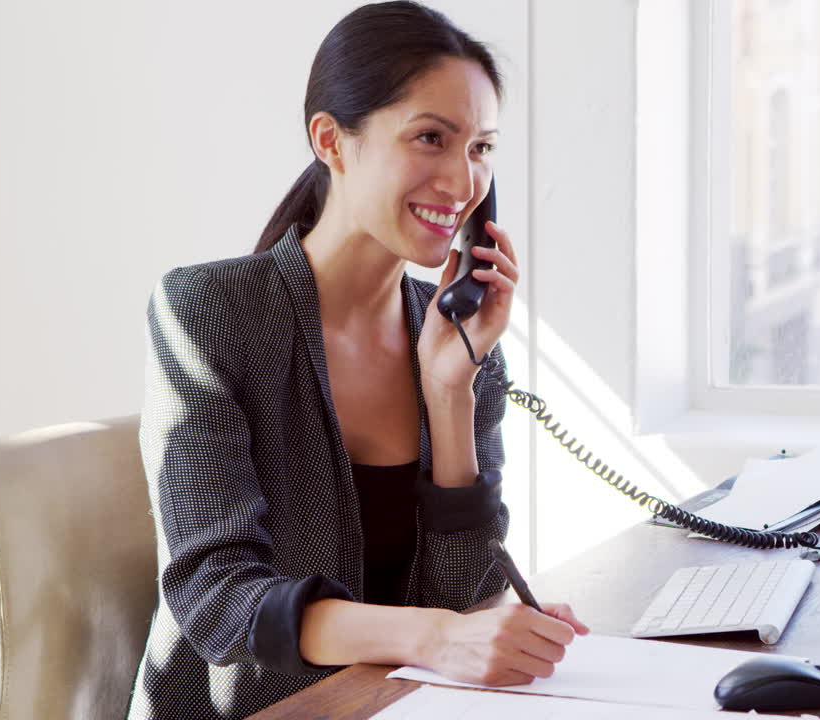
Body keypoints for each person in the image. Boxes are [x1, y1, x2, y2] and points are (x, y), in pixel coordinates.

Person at [128, 3, 587, 718]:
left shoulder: (454, 338)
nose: (464, 183)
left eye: (481, 149)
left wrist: (451, 391)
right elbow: (216, 598)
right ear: (332, 141)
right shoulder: (208, 312)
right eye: (431, 138)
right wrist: (435, 637)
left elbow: (462, 594)